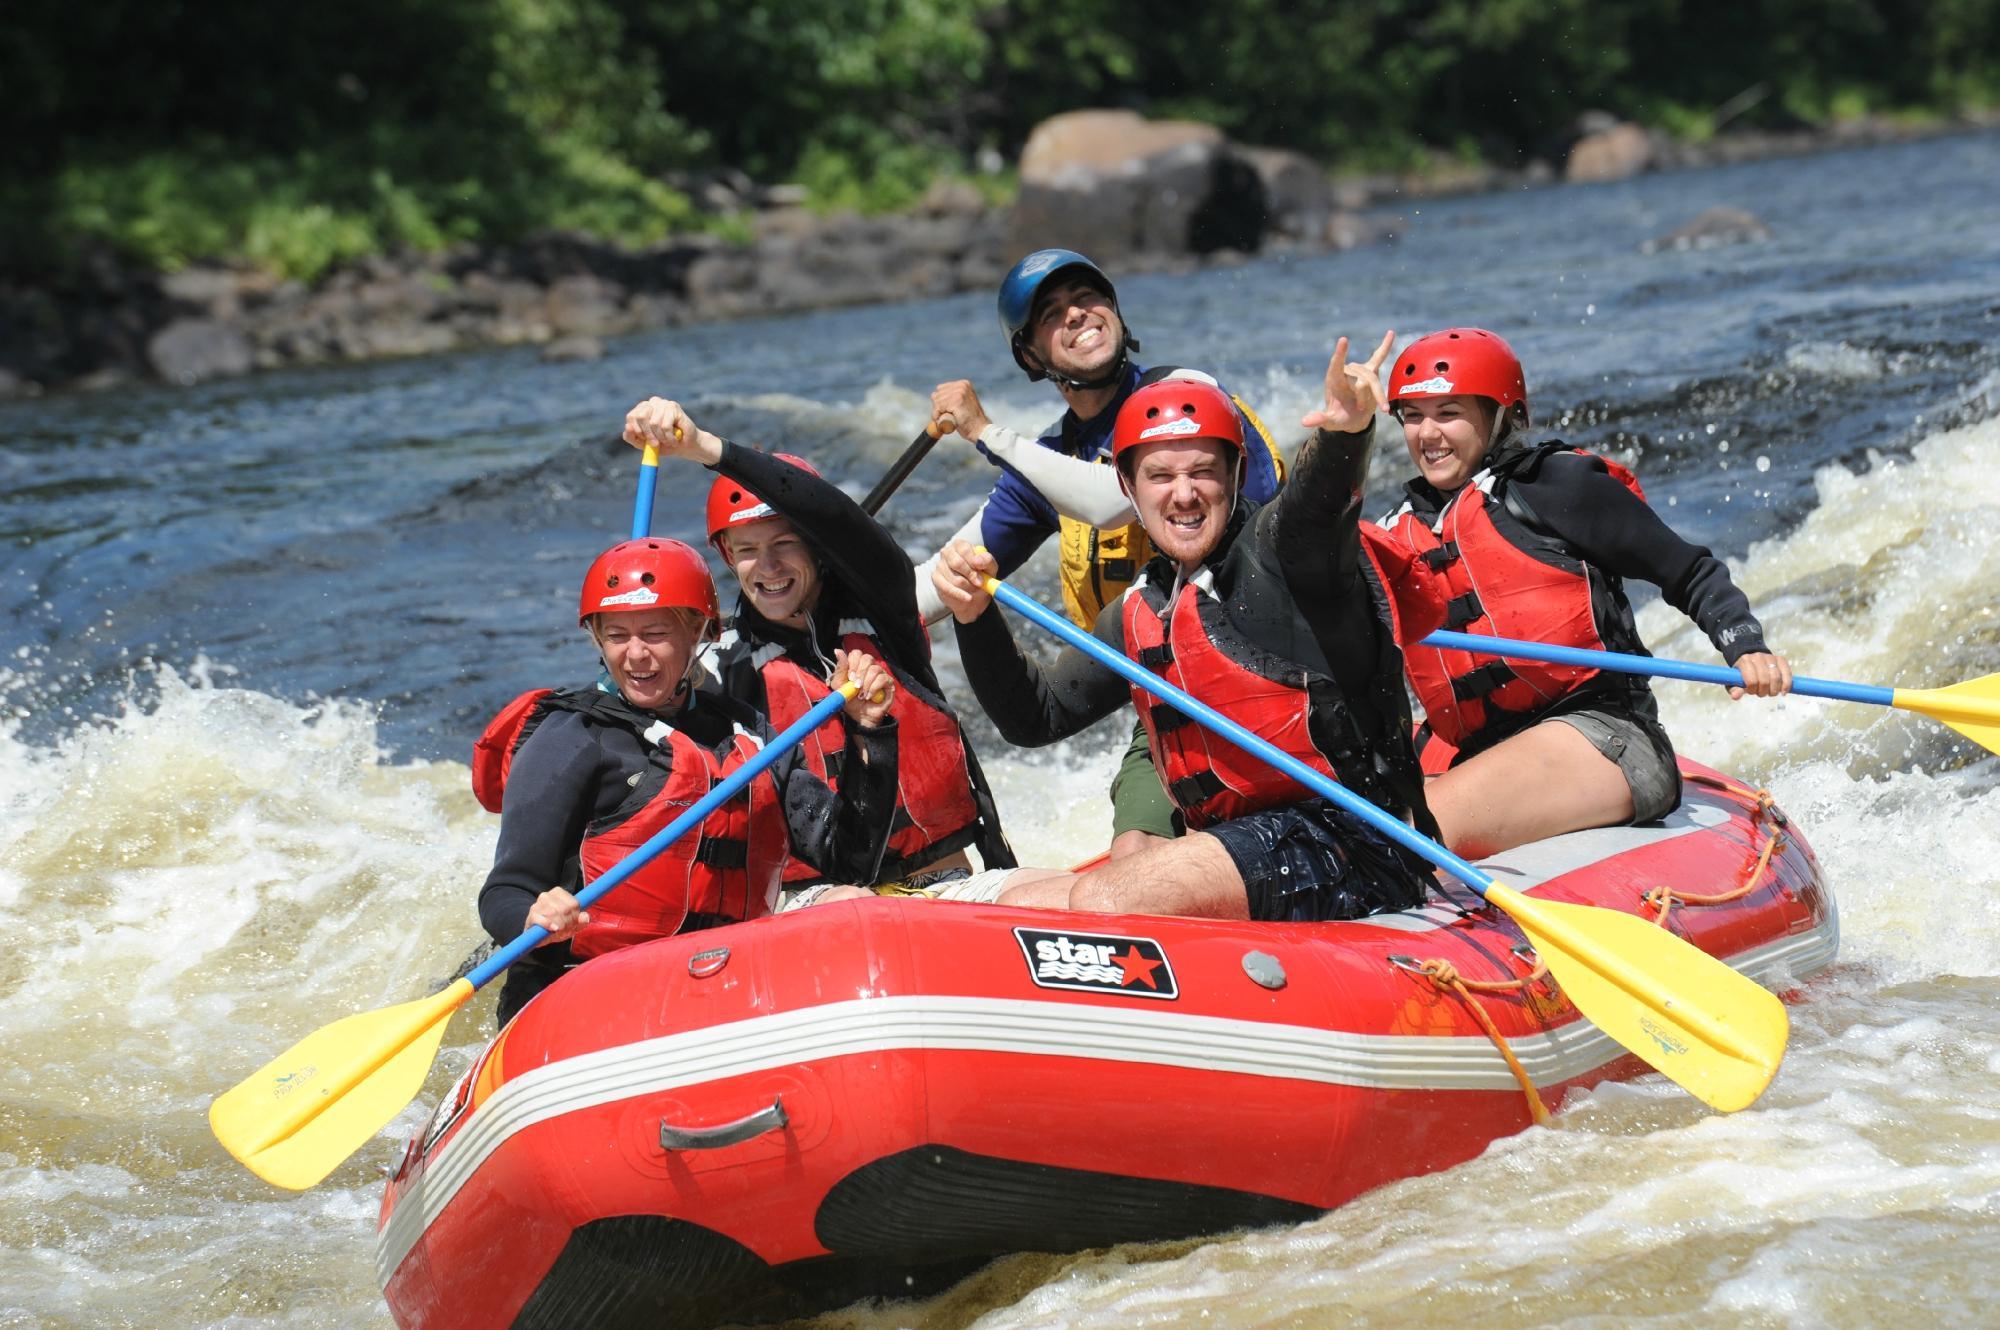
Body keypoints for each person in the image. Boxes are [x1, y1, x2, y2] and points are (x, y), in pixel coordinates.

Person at [926, 334, 1437, 922]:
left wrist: (1345, 434)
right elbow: (1036, 716)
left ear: (1237, 473)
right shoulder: (1143, 606)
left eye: (1203, 473)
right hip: (1244, 847)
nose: (1185, 495)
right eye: (1160, 477)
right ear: (1128, 488)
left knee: (1105, 898)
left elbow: (1319, 505)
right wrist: (974, 617)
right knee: (1017, 905)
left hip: (1347, 845)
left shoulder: (1283, 555)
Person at [919, 247, 1290, 859]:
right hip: (1167, 693)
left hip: (1269, 661)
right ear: (1031, 356)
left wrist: (986, 433)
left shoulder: (1184, 394)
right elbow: (931, 586)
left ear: (1115, 311)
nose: (1077, 315)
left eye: (1087, 298)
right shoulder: (1046, 463)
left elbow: (1113, 500)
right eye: (1051, 313)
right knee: (1134, 860)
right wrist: (820, 595)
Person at [1371, 327, 1793, 859]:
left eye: (1448, 412)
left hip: (1606, 738)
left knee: (1394, 834)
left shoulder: (1554, 486)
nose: (1427, 435)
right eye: (1413, 417)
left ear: (1500, 415)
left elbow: (1687, 570)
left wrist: (1746, 645)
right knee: (1346, 810)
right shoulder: (1396, 529)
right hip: (1475, 750)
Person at [472, 537, 899, 1025]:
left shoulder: (748, 734)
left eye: (654, 633)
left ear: (699, 629)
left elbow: (853, 859)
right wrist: (531, 918)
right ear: (595, 638)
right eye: (615, 635)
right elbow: (505, 889)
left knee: (855, 906)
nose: (635, 655)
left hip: (725, 980)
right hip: (588, 984)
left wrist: (870, 732)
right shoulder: (572, 738)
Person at [619, 397, 1015, 894]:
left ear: (818, 547)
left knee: (1069, 894)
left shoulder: (885, 607)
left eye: (784, 543)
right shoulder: (719, 668)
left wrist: (705, 448)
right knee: (854, 903)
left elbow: (838, 521)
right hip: (815, 901)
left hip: (943, 877)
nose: (768, 568)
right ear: (725, 555)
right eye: (747, 551)